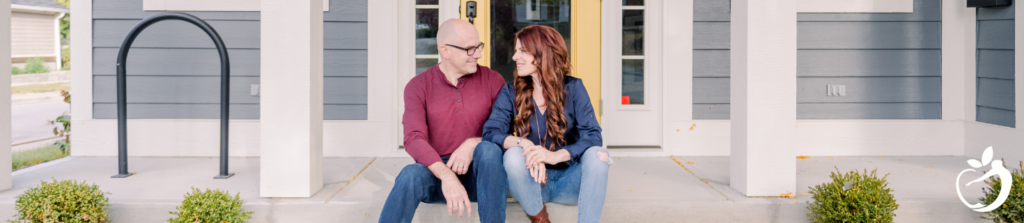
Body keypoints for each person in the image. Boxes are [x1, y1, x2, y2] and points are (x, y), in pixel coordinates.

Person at [379, 19, 508, 223]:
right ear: (445, 51)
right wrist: (446, 176)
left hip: (483, 175)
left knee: (489, 150)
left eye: (478, 47)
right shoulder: (417, 86)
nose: (478, 54)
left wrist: (472, 143)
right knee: (409, 175)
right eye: (470, 49)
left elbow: (505, 129)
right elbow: (413, 138)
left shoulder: (493, 80)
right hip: (438, 175)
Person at [480, 25, 610, 223]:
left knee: (599, 155)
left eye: (522, 51)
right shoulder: (511, 92)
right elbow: (490, 132)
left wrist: (555, 156)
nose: (515, 57)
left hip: (570, 182)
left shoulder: (574, 88)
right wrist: (525, 144)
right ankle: (541, 219)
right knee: (514, 154)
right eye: (516, 51)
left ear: (543, 54)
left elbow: (593, 135)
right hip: (531, 183)